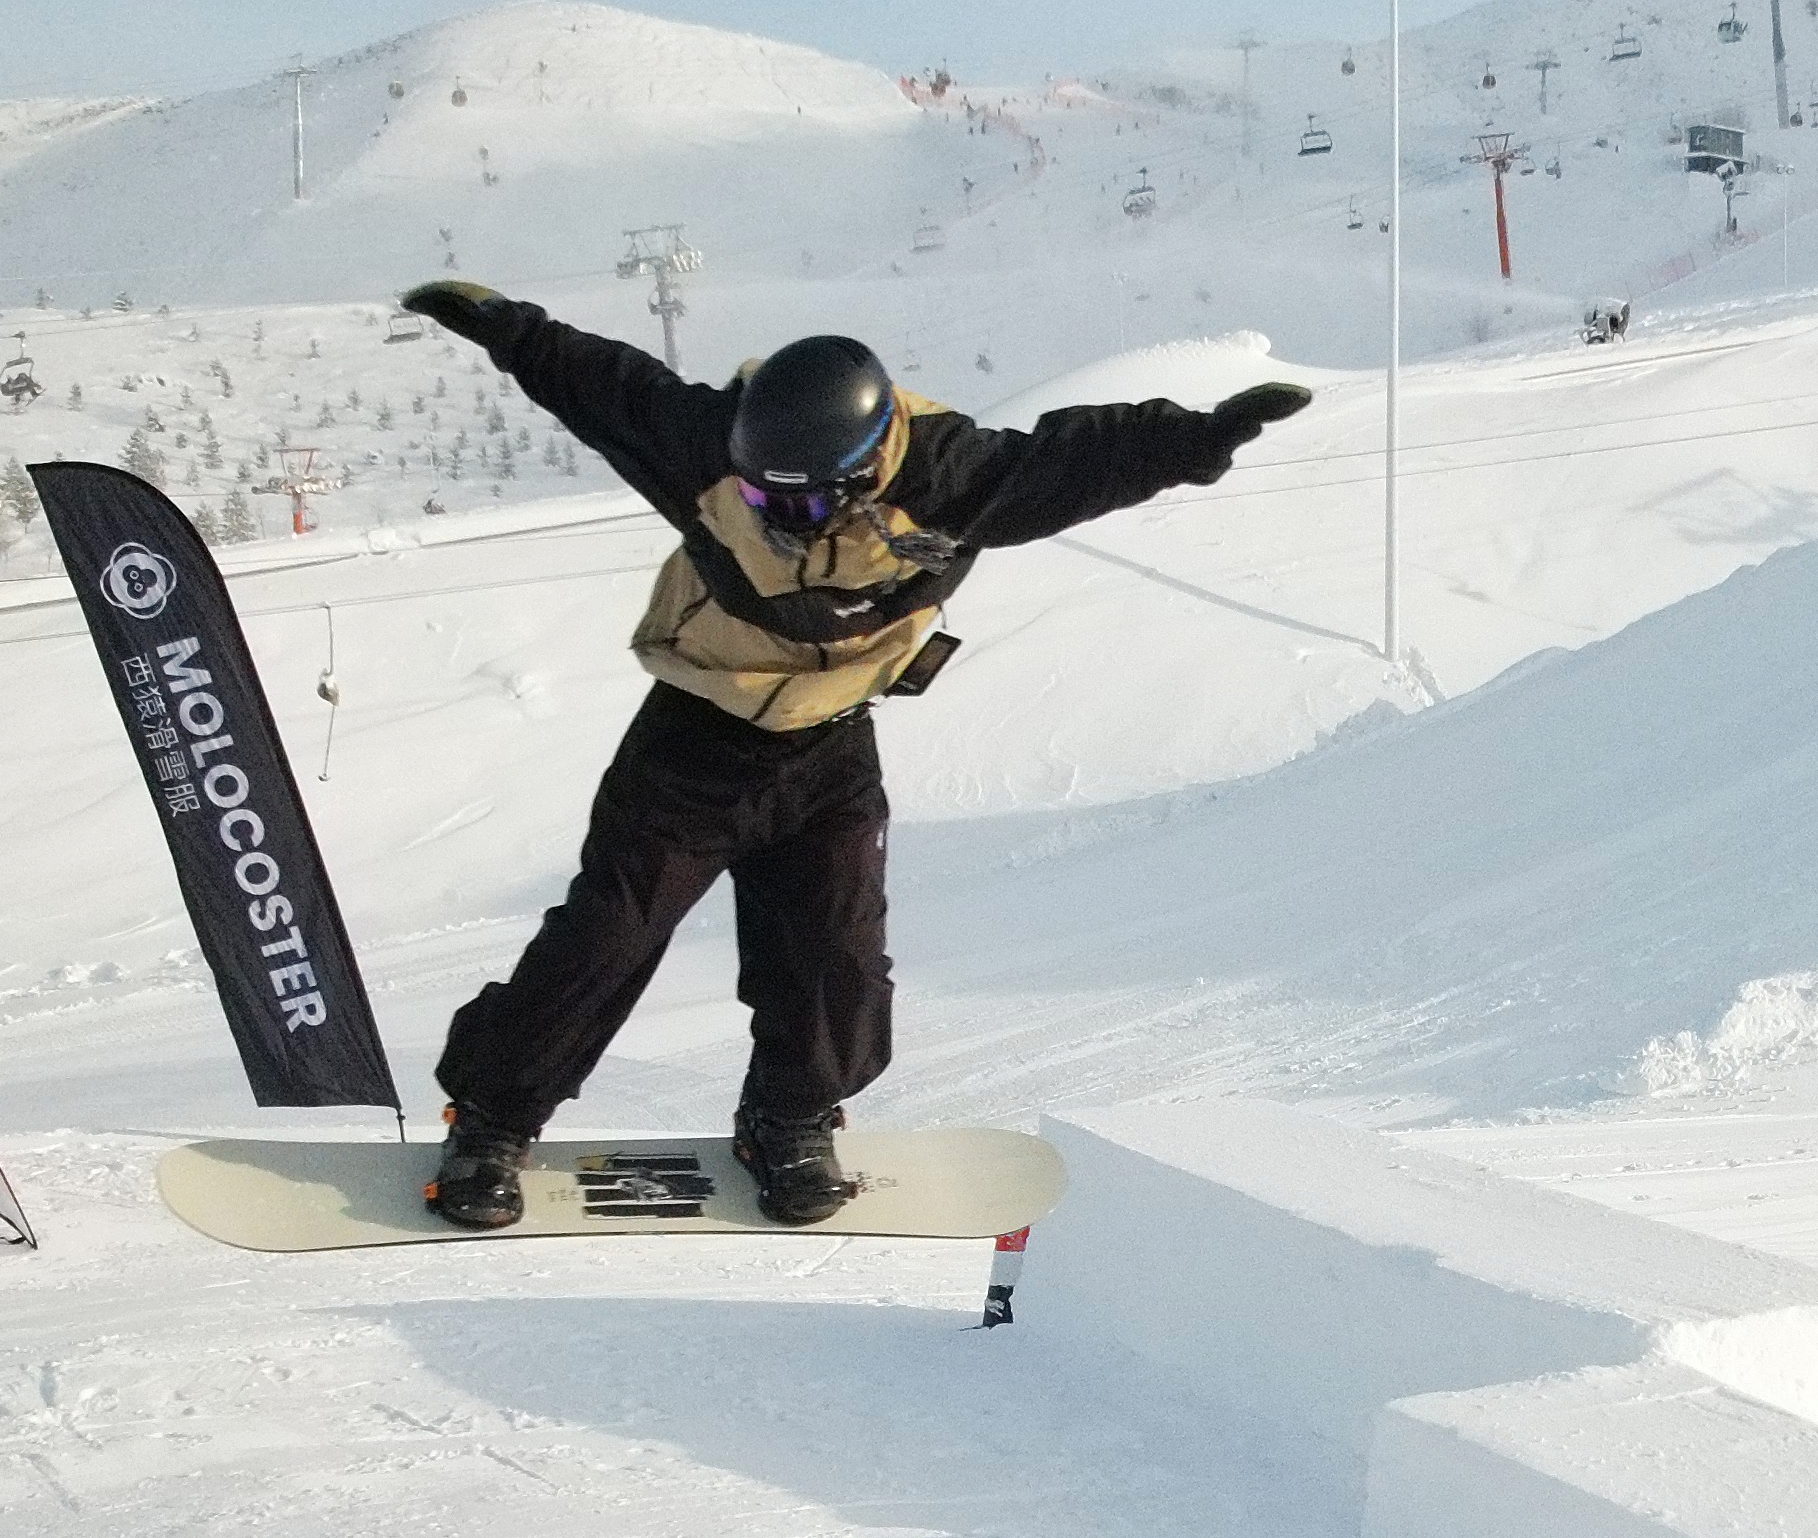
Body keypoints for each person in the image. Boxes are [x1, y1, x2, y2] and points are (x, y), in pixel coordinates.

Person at [395, 279, 1311, 1229]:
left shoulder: (951, 475)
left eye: (802, 498)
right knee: (607, 935)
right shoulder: (706, 444)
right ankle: (494, 1119)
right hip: (696, 733)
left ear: (867, 464)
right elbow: (604, 384)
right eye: (761, 493)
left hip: (832, 742)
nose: (776, 511)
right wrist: (507, 327)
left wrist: (1201, 437)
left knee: (835, 952)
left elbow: (1081, 457)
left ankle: (788, 1119)